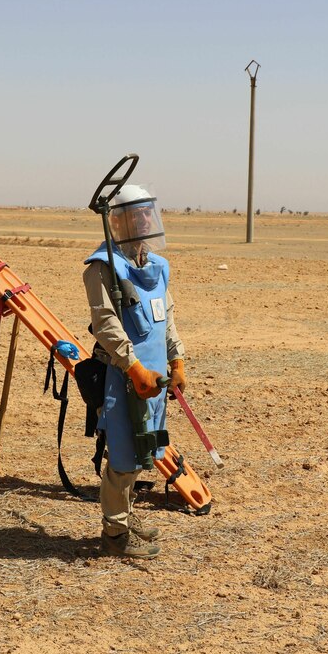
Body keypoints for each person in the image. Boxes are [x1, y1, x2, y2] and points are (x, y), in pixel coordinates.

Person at [83, 184, 186, 560]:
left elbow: (167, 318)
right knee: (124, 456)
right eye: (135, 213)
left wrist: (177, 360)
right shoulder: (102, 268)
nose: (144, 219)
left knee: (147, 448)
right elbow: (107, 325)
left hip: (155, 379)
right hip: (123, 378)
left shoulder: (156, 267)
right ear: (117, 221)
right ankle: (114, 534)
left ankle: (126, 517)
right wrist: (134, 367)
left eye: (148, 212)